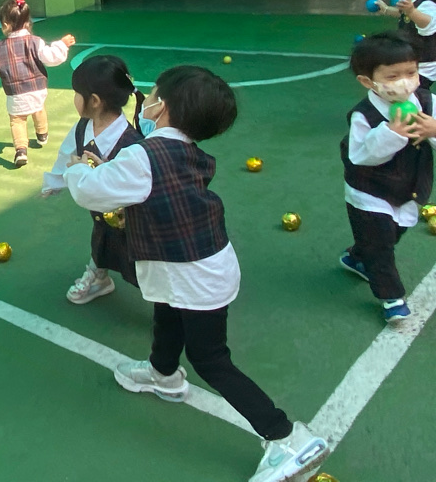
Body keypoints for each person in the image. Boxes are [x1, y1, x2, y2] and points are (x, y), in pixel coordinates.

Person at [63, 65, 328, 482]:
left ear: (163, 107)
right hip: (192, 266)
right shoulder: (186, 150)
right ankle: (162, 373)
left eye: (152, 95)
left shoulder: (143, 156)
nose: (146, 102)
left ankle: (286, 436)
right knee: (166, 314)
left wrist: (78, 167)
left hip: (195, 276)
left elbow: (89, 192)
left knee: (210, 359)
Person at [339, 32, 436, 323]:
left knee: (394, 232)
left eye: (411, 72)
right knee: (381, 245)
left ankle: (357, 257)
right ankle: (391, 297)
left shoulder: (426, 100)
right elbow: (360, 156)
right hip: (369, 192)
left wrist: (433, 130)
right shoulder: (364, 115)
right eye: (393, 76)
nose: (405, 82)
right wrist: (391, 133)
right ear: (368, 81)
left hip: (409, 185)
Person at [43, 55, 143, 301]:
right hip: (101, 213)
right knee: (101, 239)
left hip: (132, 220)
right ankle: (98, 276)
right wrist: (53, 183)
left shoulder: (132, 144)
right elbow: (68, 152)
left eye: (77, 93)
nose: (75, 98)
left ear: (95, 101)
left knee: (137, 258)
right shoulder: (83, 127)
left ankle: (167, 298)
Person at [0, 0, 74, 166]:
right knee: (38, 109)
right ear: (27, 22)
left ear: (5, 24)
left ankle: (21, 150)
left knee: (17, 120)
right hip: (37, 89)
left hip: (15, 92)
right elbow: (51, 57)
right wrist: (62, 45)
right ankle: (42, 134)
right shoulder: (36, 42)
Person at [373, 0, 436, 88]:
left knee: (411, 92)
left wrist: (411, 11)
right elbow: (404, 14)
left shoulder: (427, 3)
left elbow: (427, 24)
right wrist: (386, 9)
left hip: (424, 66)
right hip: (413, 61)